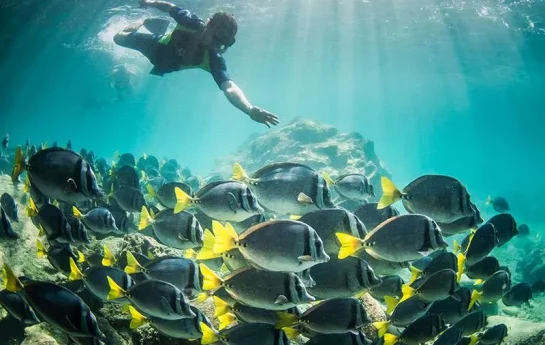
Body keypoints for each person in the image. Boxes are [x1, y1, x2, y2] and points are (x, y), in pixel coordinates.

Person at [114, 0, 279, 128]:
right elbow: (169, 7)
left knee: (125, 41)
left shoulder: (214, 58)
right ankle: (142, 23)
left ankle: (157, 27)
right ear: (208, 25)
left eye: (222, 41)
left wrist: (249, 109)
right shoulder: (190, 21)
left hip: (164, 65)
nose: (216, 44)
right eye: (216, 37)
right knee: (118, 38)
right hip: (157, 47)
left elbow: (229, 87)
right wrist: (149, 2)